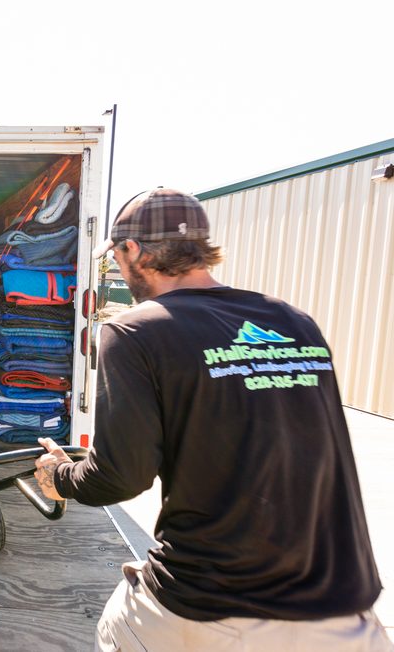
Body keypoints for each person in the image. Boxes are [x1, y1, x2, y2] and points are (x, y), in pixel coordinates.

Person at [34, 188, 390, 651]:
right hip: (348, 613)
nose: (118, 265)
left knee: (114, 631)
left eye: (117, 254)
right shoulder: (294, 322)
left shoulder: (135, 330)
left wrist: (60, 477)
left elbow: (120, 477)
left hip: (217, 605)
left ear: (134, 250)